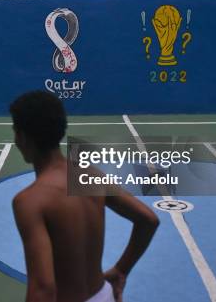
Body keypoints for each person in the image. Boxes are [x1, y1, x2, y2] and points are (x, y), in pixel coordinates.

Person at [9, 91, 159, 302]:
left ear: (23, 137)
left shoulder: (30, 202)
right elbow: (148, 219)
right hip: (103, 295)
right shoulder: (90, 175)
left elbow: (43, 288)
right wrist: (120, 270)